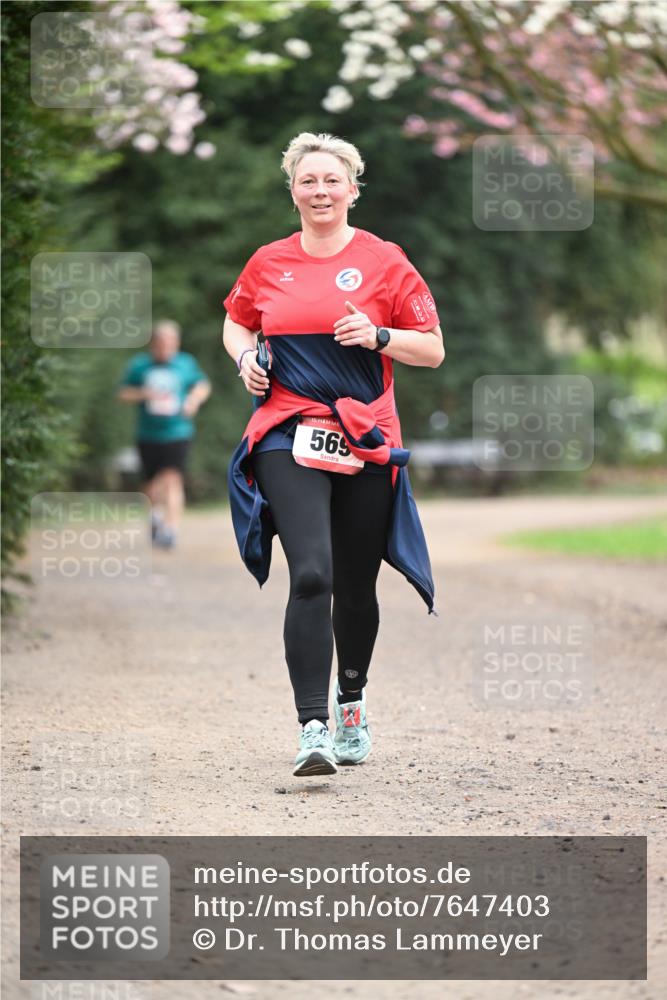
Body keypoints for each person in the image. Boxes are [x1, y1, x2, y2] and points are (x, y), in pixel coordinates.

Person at [223, 132, 444, 777]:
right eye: (308, 181)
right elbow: (236, 320)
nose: (320, 191)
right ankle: (312, 727)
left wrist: (378, 335)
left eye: (331, 180)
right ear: (293, 190)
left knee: (354, 582)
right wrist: (245, 357)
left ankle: (351, 701)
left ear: (352, 188)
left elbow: (432, 348)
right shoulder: (268, 261)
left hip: (364, 435)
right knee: (312, 574)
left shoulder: (385, 261)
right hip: (287, 428)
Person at [117, 320, 211, 548]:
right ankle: (155, 517)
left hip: (178, 431)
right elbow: (123, 393)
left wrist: (193, 401)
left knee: (172, 478)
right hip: (148, 434)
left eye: (171, 344)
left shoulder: (185, 363)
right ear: (153, 344)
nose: (166, 349)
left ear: (177, 344)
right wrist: (144, 394)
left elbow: (202, 385)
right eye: (161, 344)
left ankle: (170, 530)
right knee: (150, 484)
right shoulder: (140, 365)